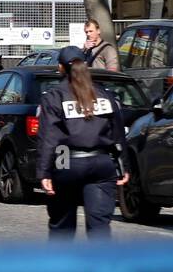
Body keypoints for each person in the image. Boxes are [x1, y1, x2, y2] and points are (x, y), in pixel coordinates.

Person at [36, 46, 129, 238]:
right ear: (85, 65)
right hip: (101, 162)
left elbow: (49, 137)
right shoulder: (104, 95)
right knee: (100, 227)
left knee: (62, 225)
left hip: (65, 159)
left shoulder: (54, 96)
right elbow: (118, 133)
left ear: (60, 68)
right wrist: (123, 166)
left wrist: (44, 172)